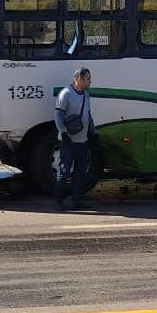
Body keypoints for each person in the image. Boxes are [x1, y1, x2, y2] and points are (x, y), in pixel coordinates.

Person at [54, 67, 96, 209]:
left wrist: (93, 133)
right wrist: (63, 133)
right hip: (68, 141)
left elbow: (88, 115)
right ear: (78, 78)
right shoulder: (66, 94)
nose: (90, 81)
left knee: (80, 172)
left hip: (82, 141)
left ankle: (76, 201)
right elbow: (58, 116)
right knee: (64, 171)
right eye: (87, 79)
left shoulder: (86, 95)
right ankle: (59, 200)